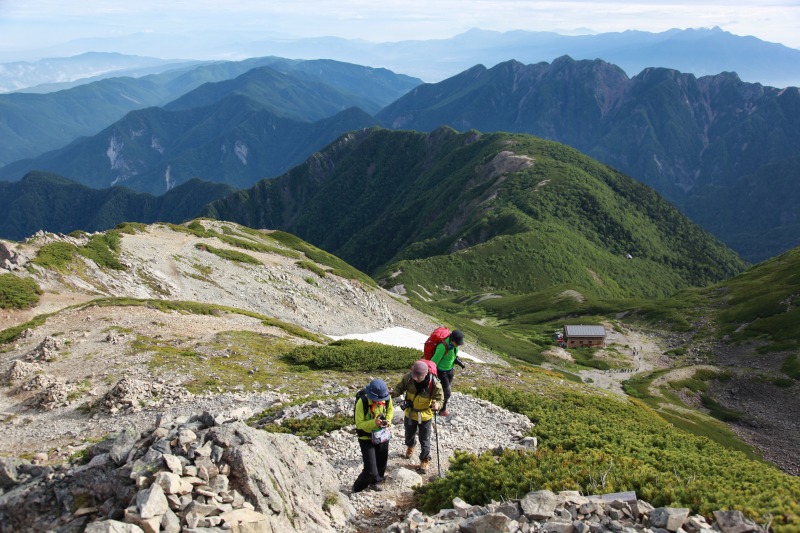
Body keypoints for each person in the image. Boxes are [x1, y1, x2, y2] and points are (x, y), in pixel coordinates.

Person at [393, 361, 444, 472]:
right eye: (414, 375)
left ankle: (424, 460)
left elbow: (440, 399)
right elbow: (399, 388)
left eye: (418, 376)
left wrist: (437, 405)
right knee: (408, 435)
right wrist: (391, 393)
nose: (415, 378)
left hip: (425, 416)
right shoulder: (408, 378)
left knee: (425, 440)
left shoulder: (435, 384)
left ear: (425, 374)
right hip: (410, 413)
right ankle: (411, 446)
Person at [353, 378, 394, 493]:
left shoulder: (386, 397)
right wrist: (373, 423)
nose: (379, 401)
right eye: (376, 399)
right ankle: (356, 489)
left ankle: (376, 482)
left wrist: (388, 420)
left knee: (382, 462)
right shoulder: (362, 402)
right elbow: (359, 424)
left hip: (382, 435)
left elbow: (390, 410)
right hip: (366, 437)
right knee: (370, 470)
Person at [429, 329, 465, 417]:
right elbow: (433, 363)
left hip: (450, 370)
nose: (458, 345)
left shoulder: (454, 345)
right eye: (457, 343)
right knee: (447, 393)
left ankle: (437, 404)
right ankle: (442, 409)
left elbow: (452, 354)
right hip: (442, 372)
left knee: (446, 391)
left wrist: (456, 360)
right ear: (452, 340)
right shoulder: (442, 347)